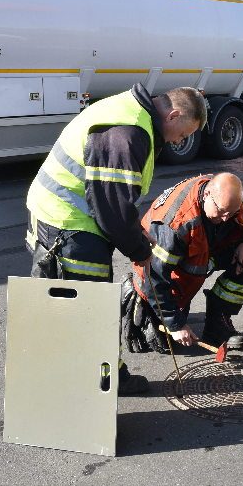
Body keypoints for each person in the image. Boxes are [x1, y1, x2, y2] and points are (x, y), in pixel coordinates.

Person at [24, 83, 207, 395]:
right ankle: (98, 386)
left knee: (77, 308)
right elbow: (110, 207)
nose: (180, 142)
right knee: (90, 310)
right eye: (184, 134)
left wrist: (136, 232)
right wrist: (139, 250)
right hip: (69, 225)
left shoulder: (132, 113)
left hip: (63, 214)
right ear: (174, 114)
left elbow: (112, 196)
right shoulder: (129, 132)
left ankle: (92, 378)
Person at [120, 173, 243, 354]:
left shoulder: (226, 201)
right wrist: (174, 324)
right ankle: (143, 303)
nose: (227, 218)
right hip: (160, 280)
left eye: (231, 213)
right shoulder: (175, 225)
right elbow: (153, 277)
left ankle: (218, 322)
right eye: (221, 212)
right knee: (167, 343)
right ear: (206, 195)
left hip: (199, 255)